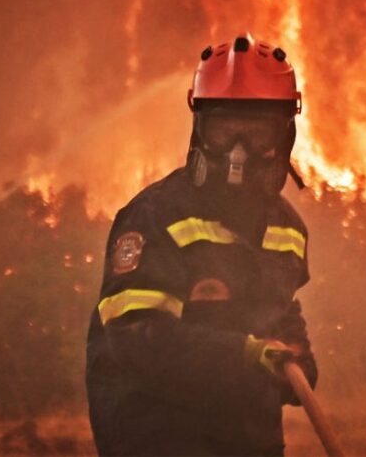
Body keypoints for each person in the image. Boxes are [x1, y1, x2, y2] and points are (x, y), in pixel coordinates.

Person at [85, 33, 318, 456]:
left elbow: (280, 311)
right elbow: (136, 336)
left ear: (284, 134)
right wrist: (244, 353)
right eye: (225, 130)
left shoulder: (288, 229)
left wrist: (297, 355)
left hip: (249, 440)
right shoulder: (156, 217)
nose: (238, 152)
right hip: (159, 436)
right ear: (199, 127)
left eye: (257, 133)